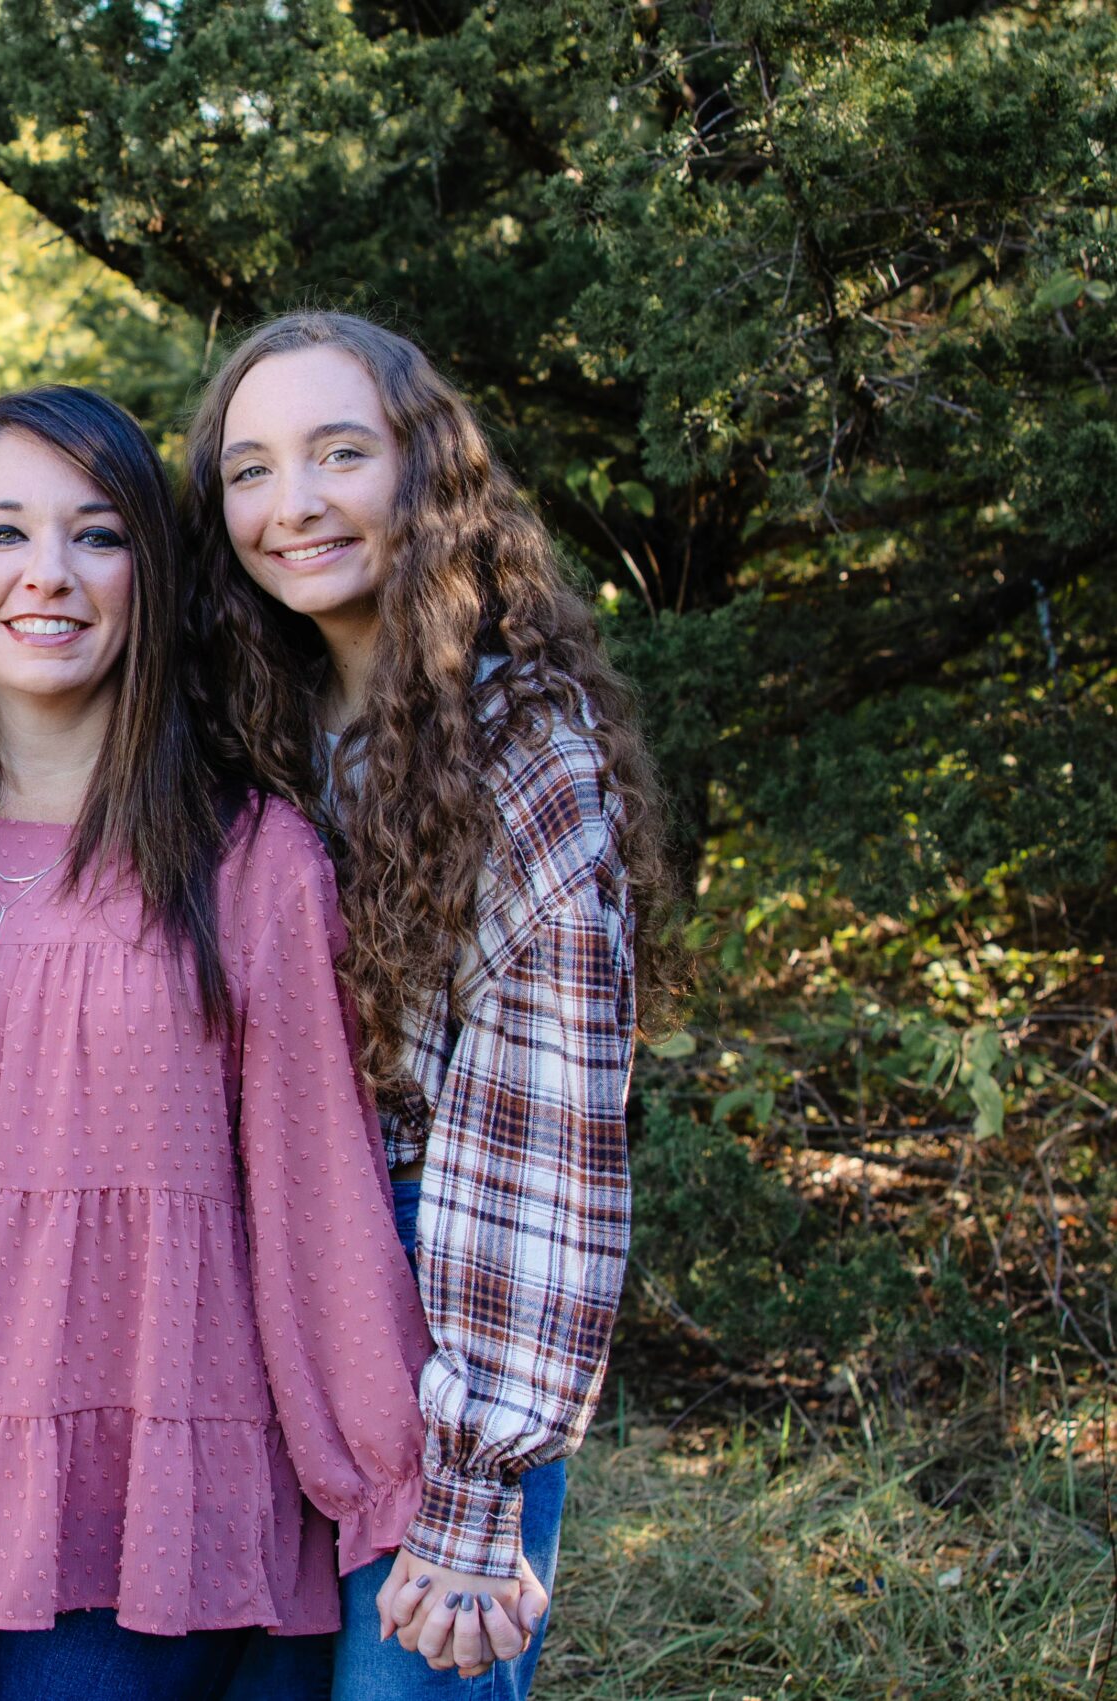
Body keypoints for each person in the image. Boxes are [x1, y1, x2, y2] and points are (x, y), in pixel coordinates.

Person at [0, 386, 432, 1701]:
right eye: (3, 533)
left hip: (152, 1482)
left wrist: (392, 1488)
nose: (46, 575)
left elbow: (317, 1203)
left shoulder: (248, 860)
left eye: (95, 535)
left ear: (151, 577)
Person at [192, 312, 669, 1696]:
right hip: (263, 1281)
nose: (293, 505)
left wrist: (472, 1498)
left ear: (426, 473)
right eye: (251, 469)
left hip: (437, 1289)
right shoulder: (253, 722)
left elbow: (542, 1159)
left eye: (340, 453)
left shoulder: (525, 756)